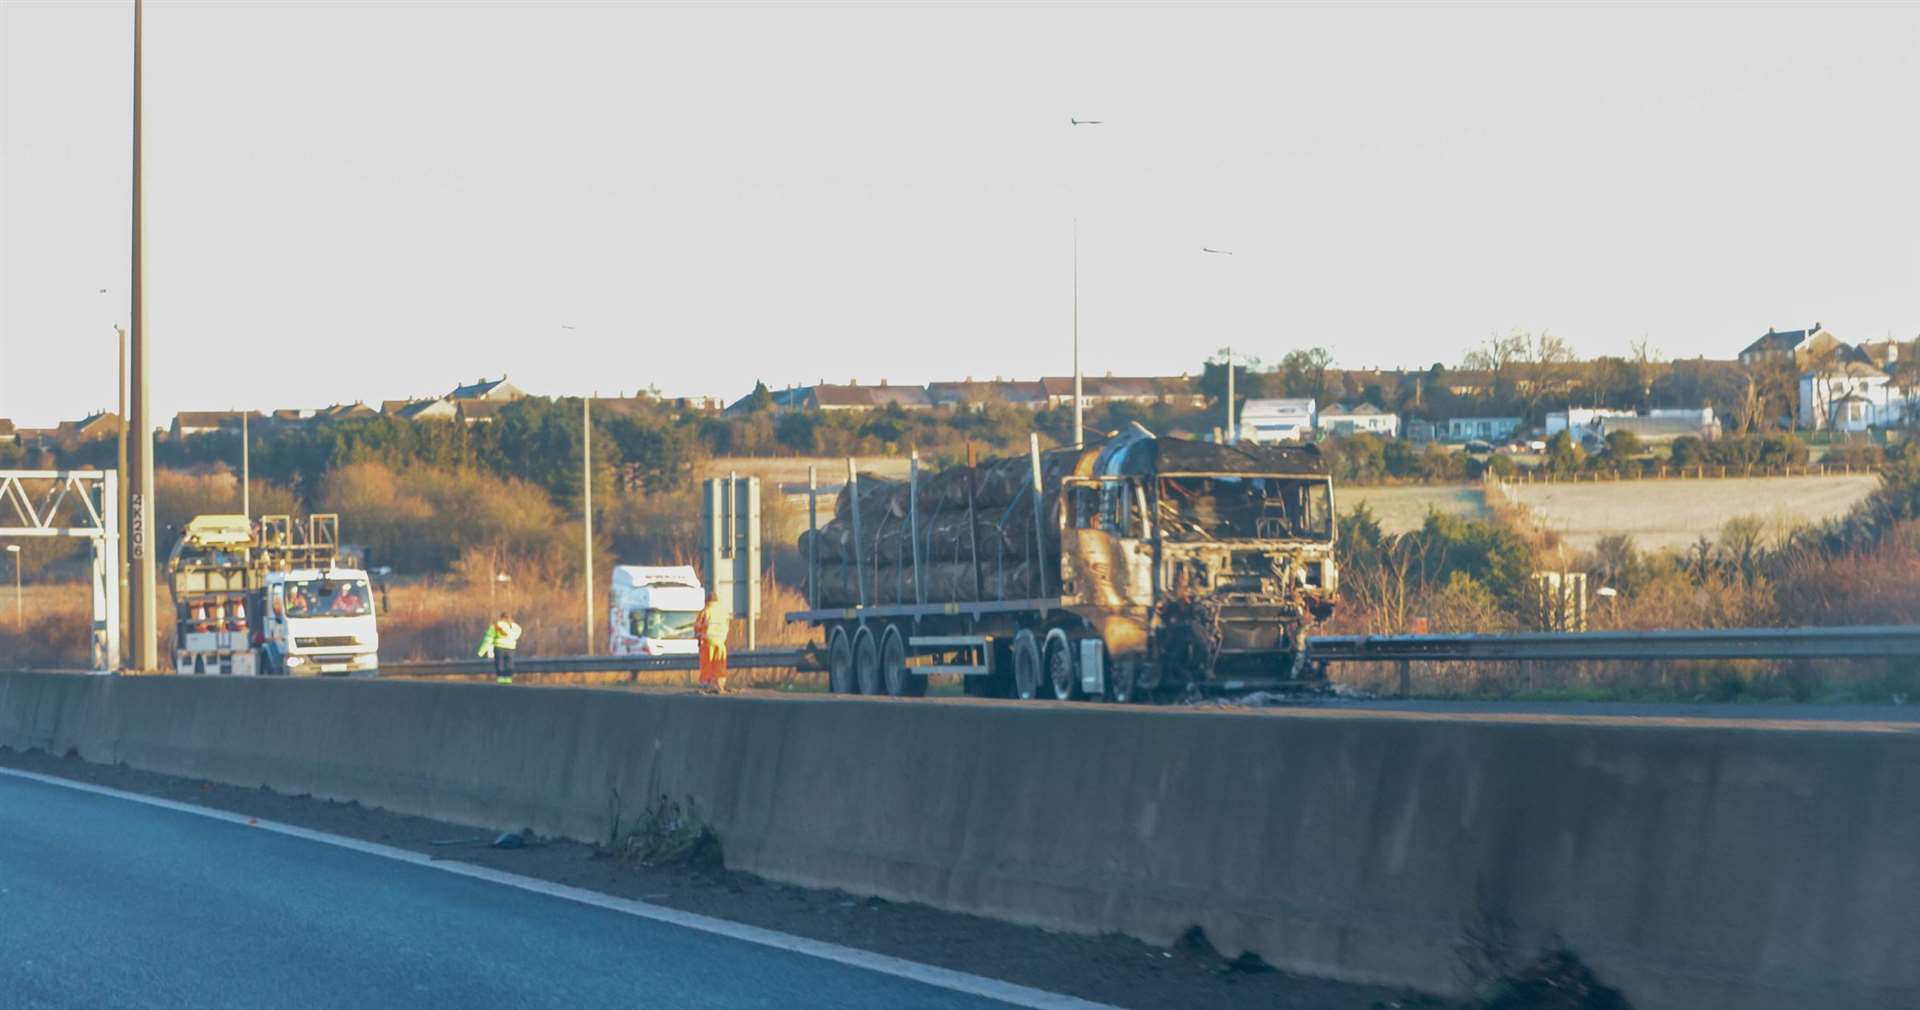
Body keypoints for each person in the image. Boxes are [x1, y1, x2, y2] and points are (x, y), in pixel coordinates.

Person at [693, 589, 730, 694]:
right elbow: (727, 625)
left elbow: (697, 627)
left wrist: (698, 637)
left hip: (708, 641)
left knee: (707, 663)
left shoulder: (705, 612)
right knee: (720, 663)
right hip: (721, 642)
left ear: (707, 601)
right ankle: (719, 683)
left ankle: (707, 684)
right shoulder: (723, 612)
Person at [478, 612, 523, 684]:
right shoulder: (514, 626)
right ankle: (508, 678)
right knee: (509, 662)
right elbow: (517, 634)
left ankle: (501, 678)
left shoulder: (496, 626)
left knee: (499, 663)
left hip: (499, 647)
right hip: (511, 648)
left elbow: (488, 639)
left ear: (501, 617)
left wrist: (481, 652)